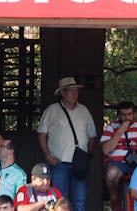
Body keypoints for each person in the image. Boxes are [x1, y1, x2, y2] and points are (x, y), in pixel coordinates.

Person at [37, 77, 96, 211]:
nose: (75, 94)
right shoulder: (52, 110)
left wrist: (88, 155)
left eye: (76, 91)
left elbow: (92, 135)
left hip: (79, 164)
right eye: (71, 91)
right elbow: (42, 134)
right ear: (62, 93)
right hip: (59, 163)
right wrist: (48, 156)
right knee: (59, 201)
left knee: (80, 201)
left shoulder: (84, 110)